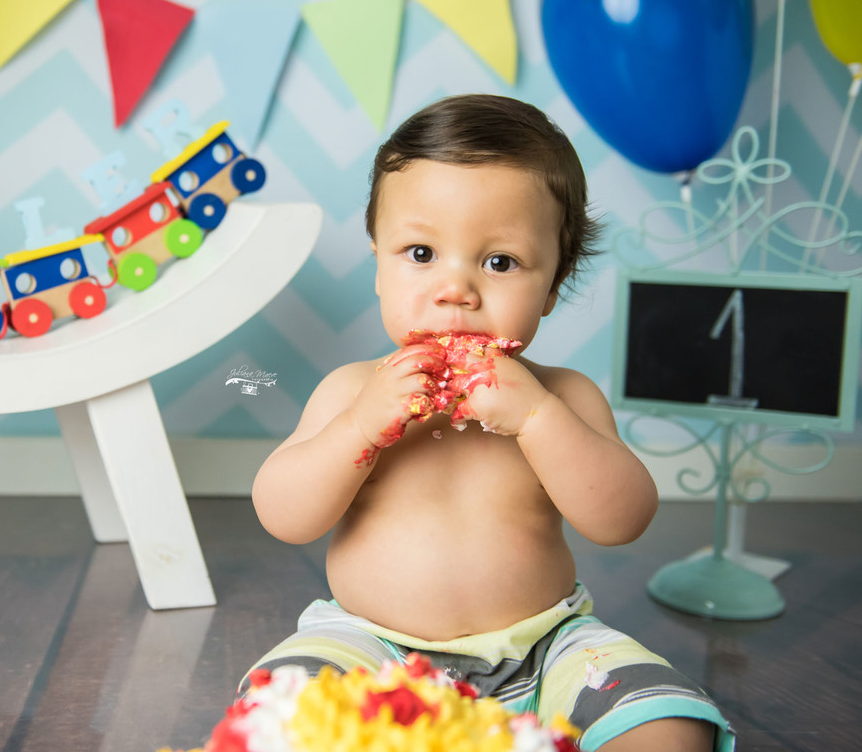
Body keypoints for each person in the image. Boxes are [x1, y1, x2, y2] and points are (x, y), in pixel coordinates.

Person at [246, 95, 733, 751]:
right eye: (420, 252)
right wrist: (359, 428)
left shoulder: (563, 395)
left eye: (499, 262)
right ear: (378, 263)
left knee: (670, 729)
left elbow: (622, 520)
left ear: (553, 285)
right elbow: (284, 514)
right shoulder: (353, 391)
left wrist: (536, 417)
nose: (456, 289)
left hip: (543, 645)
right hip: (371, 644)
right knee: (280, 710)